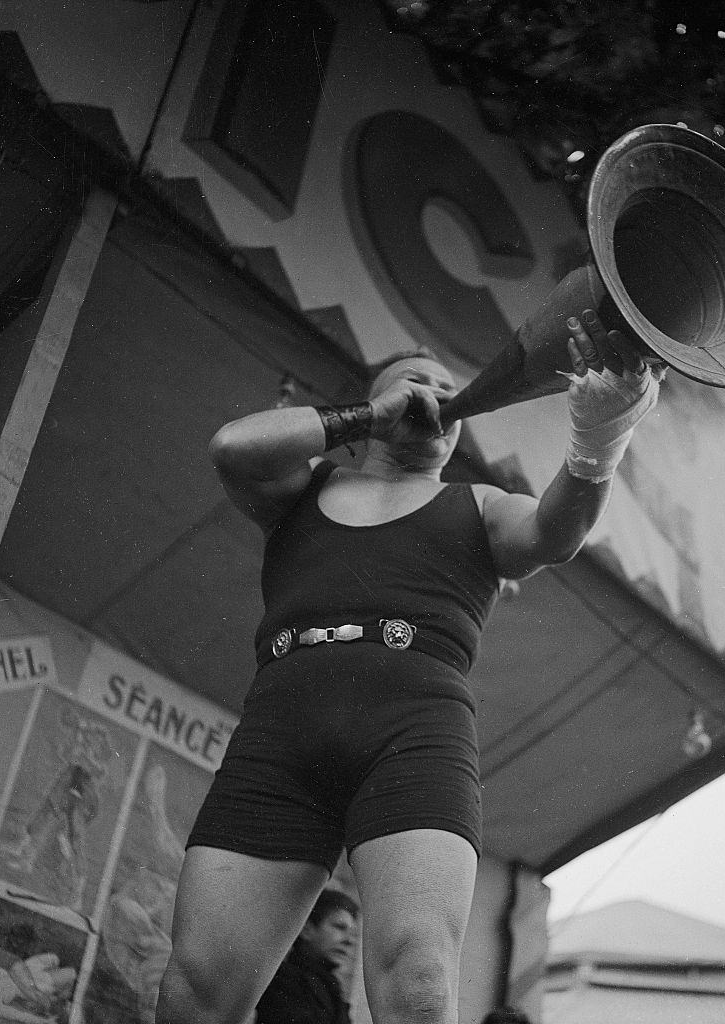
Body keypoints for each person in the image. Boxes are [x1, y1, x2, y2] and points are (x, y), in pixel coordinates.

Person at [155, 308, 661, 1024]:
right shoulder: (304, 489)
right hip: (279, 738)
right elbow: (233, 447)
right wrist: (368, 415)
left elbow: (555, 533)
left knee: (419, 982)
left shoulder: (477, 503)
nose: (434, 392)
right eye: (413, 382)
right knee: (196, 988)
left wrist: (601, 437)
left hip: (412, 736)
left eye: (449, 388)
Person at [255, 889, 358, 1024]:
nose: (349, 940)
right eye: (339, 927)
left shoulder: (331, 989)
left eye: (353, 933)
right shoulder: (281, 982)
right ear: (307, 929)